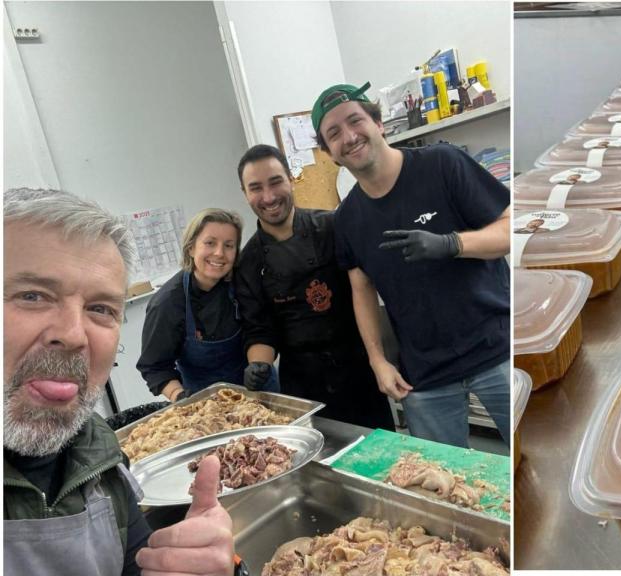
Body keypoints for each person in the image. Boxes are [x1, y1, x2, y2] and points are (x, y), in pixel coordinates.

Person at [3, 188, 235, 576]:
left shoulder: (102, 455)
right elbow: (156, 367)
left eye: (99, 309)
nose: (74, 334)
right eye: (33, 295)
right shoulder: (168, 302)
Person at [312, 81, 510, 448]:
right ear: (330, 153)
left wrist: (453, 244)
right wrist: (377, 360)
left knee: (535, 456)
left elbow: (511, 227)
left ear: (378, 123)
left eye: (355, 121)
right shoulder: (348, 219)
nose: (349, 136)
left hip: (498, 349)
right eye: (334, 133)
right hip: (425, 375)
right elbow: (362, 290)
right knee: (446, 486)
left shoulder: (443, 164)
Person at [233, 144, 394, 429]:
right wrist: (258, 365)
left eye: (275, 182)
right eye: (256, 188)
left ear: (291, 179)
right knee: (322, 466)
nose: (268, 197)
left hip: (358, 367)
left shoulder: (333, 227)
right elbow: (259, 330)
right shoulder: (247, 263)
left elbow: (367, 287)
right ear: (245, 194)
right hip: (303, 382)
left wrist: (379, 358)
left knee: (379, 460)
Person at [137, 208, 277, 401]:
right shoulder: (167, 303)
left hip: (260, 392)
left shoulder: (244, 282)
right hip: (206, 402)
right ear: (191, 247)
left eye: (229, 245)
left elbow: (260, 331)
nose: (219, 253)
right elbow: (155, 366)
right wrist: (181, 396)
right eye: (210, 243)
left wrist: (259, 366)